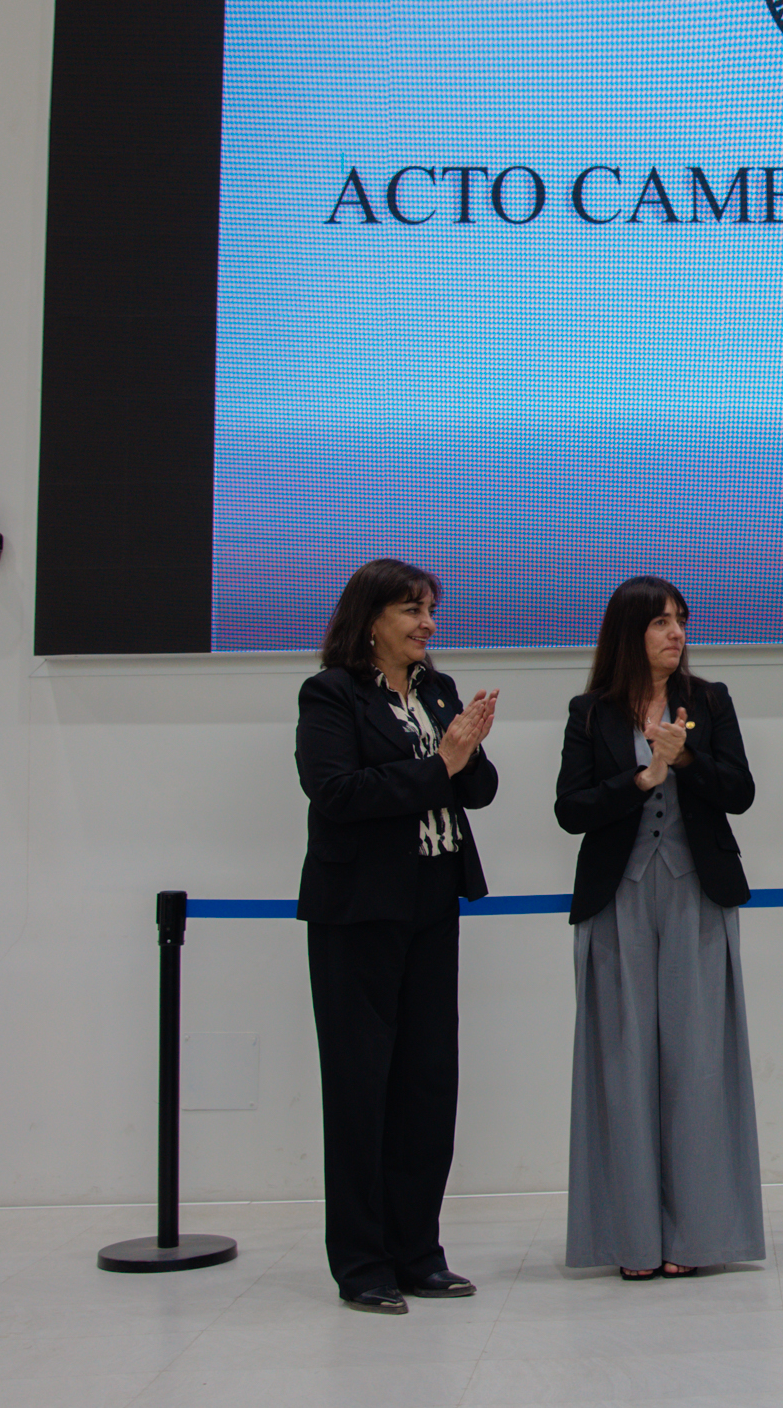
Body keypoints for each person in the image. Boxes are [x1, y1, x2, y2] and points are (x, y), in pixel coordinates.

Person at [295, 558, 500, 1313]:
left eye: (430, 610)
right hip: (357, 912)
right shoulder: (331, 695)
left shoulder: (437, 691)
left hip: (429, 900)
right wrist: (439, 763)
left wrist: (467, 749)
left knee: (425, 1082)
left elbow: (476, 787)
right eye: (412, 610)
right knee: (360, 1088)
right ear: (371, 617)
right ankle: (362, 1262)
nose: (427, 624)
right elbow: (338, 793)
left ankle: (419, 1251)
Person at [555, 576, 767, 1279]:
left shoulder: (710, 700)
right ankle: (631, 1240)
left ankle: (696, 1237)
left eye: (681, 619)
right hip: (619, 898)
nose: (676, 632)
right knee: (623, 1064)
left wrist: (686, 759)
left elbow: (740, 790)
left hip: (696, 892)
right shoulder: (591, 711)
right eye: (660, 622)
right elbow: (572, 808)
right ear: (628, 631)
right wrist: (642, 779)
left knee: (698, 1066)